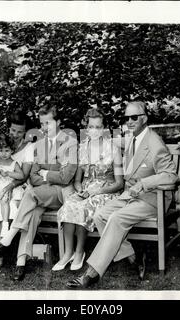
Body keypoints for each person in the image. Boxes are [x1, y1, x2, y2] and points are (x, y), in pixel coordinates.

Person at [66, 101, 179, 289]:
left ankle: (91, 272)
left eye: (135, 117)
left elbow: (171, 176)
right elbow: (107, 142)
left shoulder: (154, 142)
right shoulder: (133, 138)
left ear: (145, 118)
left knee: (116, 218)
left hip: (152, 198)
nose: (130, 121)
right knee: (100, 215)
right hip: (131, 196)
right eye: (127, 118)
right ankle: (133, 256)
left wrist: (143, 184)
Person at [0, 105, 78, 281]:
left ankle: (7, 238)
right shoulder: (39, 145)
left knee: (30, 194)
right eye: (41, 124)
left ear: (59, 122)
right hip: (42, 192)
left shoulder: (70, 143)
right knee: (31, 214)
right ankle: (21, 262)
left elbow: (66, 178)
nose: (44, 127)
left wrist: (46, 175)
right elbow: (32, 177)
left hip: (60, 194)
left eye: (48, 123)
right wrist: (48, 177)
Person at [53, 108, 124, 271]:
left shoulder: (112, 149)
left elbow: (119, 183)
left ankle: (79, 252)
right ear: (86, 127)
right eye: (91, 127)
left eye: (98, 127)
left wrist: (96, 192)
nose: (94, 131)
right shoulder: (82, 148)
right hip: (86, 190)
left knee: (84, 207)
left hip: (107, 191)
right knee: (69, 205)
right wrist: (79, 190)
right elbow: (78, 180)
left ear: (104, 127)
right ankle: (68, 252)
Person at [0, 110, 35, 270]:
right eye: (13, 130)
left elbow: (24, 175)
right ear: (8, 128)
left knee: (8, 206)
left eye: (20, 131)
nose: (16, 134)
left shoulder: (29, 147)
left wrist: (10, 186)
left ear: (25, 131)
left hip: (17, 186)